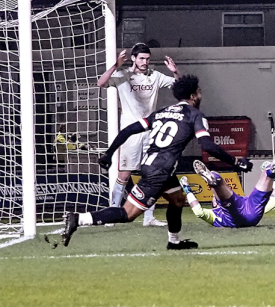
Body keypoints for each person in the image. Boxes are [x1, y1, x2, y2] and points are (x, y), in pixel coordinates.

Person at [60, 75, 254, 249]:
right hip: (159, 172)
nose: (201, 95)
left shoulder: (162, 112)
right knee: (128, 214)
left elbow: (128, 130)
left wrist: (109, 154)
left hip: (156, 166)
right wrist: (236, 161)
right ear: (193, 96)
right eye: (199, 92)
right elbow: (208, 146)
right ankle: (78, 219)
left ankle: (174, 242)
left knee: (178, 200)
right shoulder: (194, 116)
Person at [97, 43, 180, 227]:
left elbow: (178, 86)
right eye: (141, 58)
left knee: (151, 174)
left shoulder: (155, 76)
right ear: (133, 58)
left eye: (147, 59)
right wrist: (115, 65)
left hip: (151, 132)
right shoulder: (122, 75)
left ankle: (148, 217)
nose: (145, 62)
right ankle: (111, 214)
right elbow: (101, 83)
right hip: (131, 133)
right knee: (124, 174)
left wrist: (175, 71)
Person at [182, 143, 275, 228]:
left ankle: (271, 171)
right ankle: (271, 171)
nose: (213, 197)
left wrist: (187, 190)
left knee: (219, 182)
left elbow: (198, 212)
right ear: (214, 204)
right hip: (250, 212)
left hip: (241, 214)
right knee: (220, 184)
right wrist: (274, 181)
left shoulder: (214, 214)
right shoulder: (217, 210)